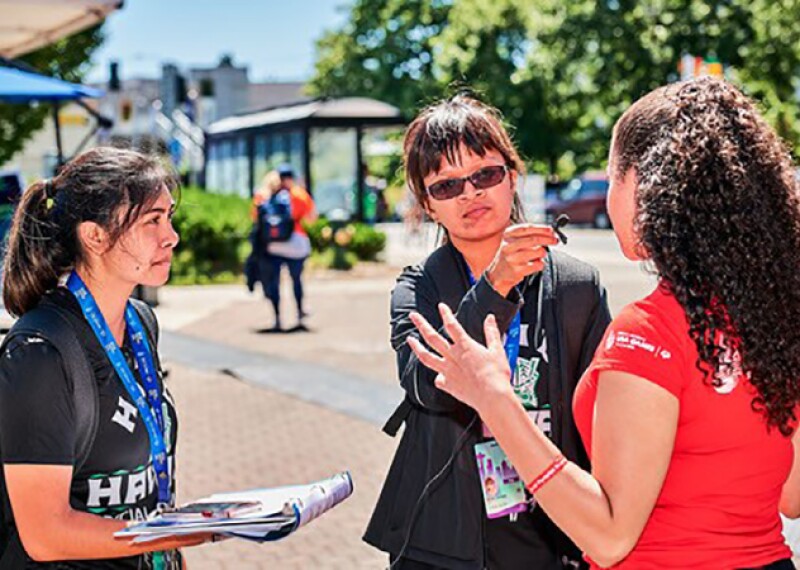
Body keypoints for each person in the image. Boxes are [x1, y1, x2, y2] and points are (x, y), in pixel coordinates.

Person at [406, 77, 800, 569]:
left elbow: (611, 537)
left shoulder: (646, 333)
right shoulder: (770, 320)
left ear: (646, 185)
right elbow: (790, 496)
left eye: (613, 176)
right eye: (446, 186)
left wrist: (496, 400)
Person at [364, 95, 612, 570]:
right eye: (446, 185)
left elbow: (601, 422)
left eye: (485, 175)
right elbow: (427, 385)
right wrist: (495, 285)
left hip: (550, 535)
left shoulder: (576, 286)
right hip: (440, 541)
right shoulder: (418, 287)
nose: (469, 193)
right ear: (428, 206)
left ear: (512, 175)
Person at [0, 147, 210, 568]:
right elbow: (45, 534)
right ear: (94, 236)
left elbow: (146, 482)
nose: (171, 236)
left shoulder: (140, 323)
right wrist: (179, 532)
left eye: (169, 217)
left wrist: (171, 550)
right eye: (152, 220)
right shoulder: (39, 354)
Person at [252, 165, 317, 331]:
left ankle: (277, 319)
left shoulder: (264, 194)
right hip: (295, 244)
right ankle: (300, 314)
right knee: (296, 279)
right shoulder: (298, 194)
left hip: (272, 245)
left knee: (274, 282)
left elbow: (255, 218)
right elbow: (311, 218)